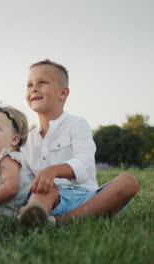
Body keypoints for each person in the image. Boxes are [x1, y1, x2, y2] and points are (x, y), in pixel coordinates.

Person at [17, 59, 139, 227]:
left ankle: (58, 222)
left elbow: (86, 163)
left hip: (86, 198)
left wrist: (54, 170)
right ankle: (36, 215)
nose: (34, 88)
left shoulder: (77, 124)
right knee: (42, 191)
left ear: (63, 93)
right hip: (50, 198)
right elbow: (23, 179)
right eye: (29, 85)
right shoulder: (27, 140)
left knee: (128, 181)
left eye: (42, 82)